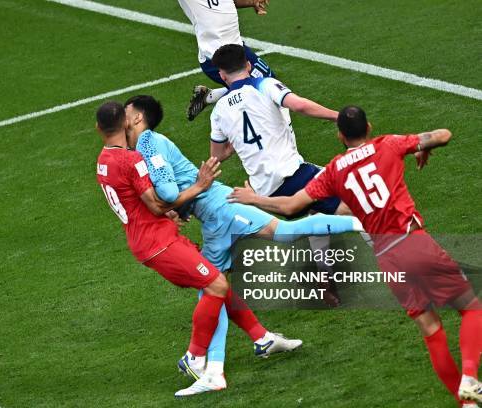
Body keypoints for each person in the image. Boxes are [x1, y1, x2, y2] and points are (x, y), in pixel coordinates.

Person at [228, 105, 482, 406]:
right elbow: (444, 134)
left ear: (340, 135)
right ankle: (469, 376)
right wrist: (421, 148)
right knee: (471, 307)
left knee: (430, 328)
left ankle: (465, 402)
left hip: (387, 258)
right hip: (413, 241)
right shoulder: (388, 144)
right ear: (369, 127)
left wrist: (254, 198)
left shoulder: (334, 170)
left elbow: (291, 206)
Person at [123, 95, 365, 396]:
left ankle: (362, 223)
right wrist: (178, 207)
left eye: (126, 111)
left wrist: (173, 202)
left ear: (137, 118)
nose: (121, 116)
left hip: (221, 208)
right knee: (215, 287)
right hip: (212, 218)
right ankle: (252, 344)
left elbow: (170, 190)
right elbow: (176, 190)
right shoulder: (145, 144)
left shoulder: (146, 143)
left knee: (282, 234)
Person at [95, 101, 292, 397]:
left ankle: (261, 337)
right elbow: (158, 203)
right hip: (159, 242)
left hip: (147, 239)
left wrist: (172, 211)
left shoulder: (103, 161)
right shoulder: (132, 159)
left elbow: (145, 205)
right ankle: (195, 356)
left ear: (99, 129)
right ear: (125, 124)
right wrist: (199, 186)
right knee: (215, 284)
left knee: (215, 281)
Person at [209, 43, 359, 305]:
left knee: (316, 214)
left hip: (265, 192)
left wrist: (233, 144)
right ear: (247, 65)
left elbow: (218, 154)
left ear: (221, 75)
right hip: (294, 176)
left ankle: (325, 281)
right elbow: (300, 106)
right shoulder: (264, 84)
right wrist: (339, 117)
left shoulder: (219, 112)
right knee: (359, 203)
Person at [177, 0, 274, 121]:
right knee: (263, 91)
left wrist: (251, 2)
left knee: (269, 82)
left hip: (238, 48)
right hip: (217, 58)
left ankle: (208, 97)